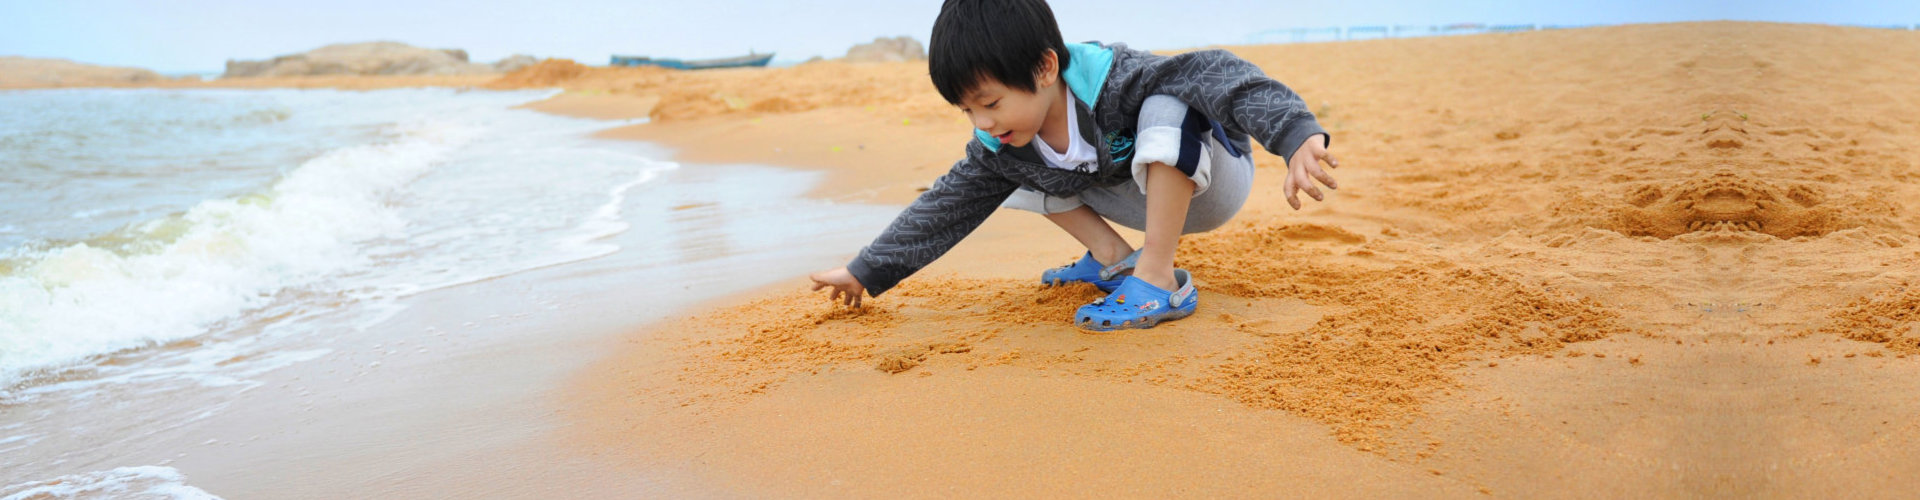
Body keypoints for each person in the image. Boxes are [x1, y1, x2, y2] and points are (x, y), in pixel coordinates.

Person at [809, 0, 1339, 331]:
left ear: (1045, 66)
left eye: (989, 103)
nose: (981, 120)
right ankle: (1115, 260)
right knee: (994, 164)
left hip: (1214, 179)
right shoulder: (1002, 134)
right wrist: (865, 270)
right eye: (967, 109)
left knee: (1167, 104)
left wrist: (1293, 135)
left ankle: (1158, 279)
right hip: (1131, 188)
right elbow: (946, 205)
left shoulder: (1121, 77)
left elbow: (1219, 71)